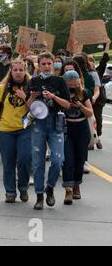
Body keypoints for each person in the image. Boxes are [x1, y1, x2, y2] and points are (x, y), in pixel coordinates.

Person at [27, 52, 71, 211]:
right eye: (43, 64)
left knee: (58, 159)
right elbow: (27, 106)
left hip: (55, 122)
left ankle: (50, 187)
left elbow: (67, 105)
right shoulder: (33, 81)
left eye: (49, 63)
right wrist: (31, 98)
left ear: (53, 64)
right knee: (38, 162)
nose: (46, 66)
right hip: (38, 123)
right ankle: (39, 196)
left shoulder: (60, 81)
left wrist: (53, 97)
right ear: (38, 65)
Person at [0, 59, 32, 203]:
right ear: (11, 71)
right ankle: (10, 192)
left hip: (25, 129)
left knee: (25, 159)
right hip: (5, 129)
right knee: (8, 162)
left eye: (21, 70)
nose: (18, 73)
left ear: (25, 71)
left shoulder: (31, 85)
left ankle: (23, 187)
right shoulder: (4, 87)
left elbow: (37, 108)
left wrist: (25, 97)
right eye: (15, 70)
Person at [62, 70, 93, 205]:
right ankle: (68, 189)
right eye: (69, 83)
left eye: (75, 82)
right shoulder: (62, 93)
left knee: (80, 160)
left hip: (81, 129)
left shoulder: (83, 93)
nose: (72, 86)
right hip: (66, 128)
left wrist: (80, 106)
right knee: (68, 159)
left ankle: (76, 185)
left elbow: (90, 112)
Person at [87, 55, 104, 150]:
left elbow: (97, 89)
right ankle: (92, 141)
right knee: (89, 120)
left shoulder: (96, 72)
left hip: (98, 101)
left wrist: (94, 97)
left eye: (91, 61)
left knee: (97, 120)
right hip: (87, 100)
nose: (89, 63)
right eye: (88, 61)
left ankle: (97, 138)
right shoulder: (82, 73)